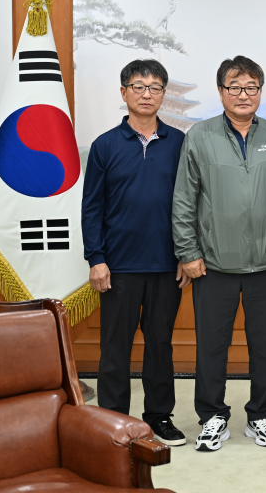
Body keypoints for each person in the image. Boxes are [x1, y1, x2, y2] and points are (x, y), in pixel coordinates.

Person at [172, 55, 266, 452]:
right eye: (235, 87)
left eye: (251, 87)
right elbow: (184, 199)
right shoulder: (200, 136)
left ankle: (261, 415)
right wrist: (188, 251)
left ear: (260, 91)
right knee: (212, 346)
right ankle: (212, 416)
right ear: (221, 91)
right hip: (213, 264)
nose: (244, 95)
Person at [82, 59, 187, 446]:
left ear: (164, 95)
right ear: (124, 92)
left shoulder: (179, 143)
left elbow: (192, 202)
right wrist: (96, 258)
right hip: (118, 266)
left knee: (160, 344)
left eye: (155, 87)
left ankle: (159, 417)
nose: (147, 94)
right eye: (139, 86)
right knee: (115, 347)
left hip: (167, 265)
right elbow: (91, 207)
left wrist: (186, 253)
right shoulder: (105, 145)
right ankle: (113, 421)